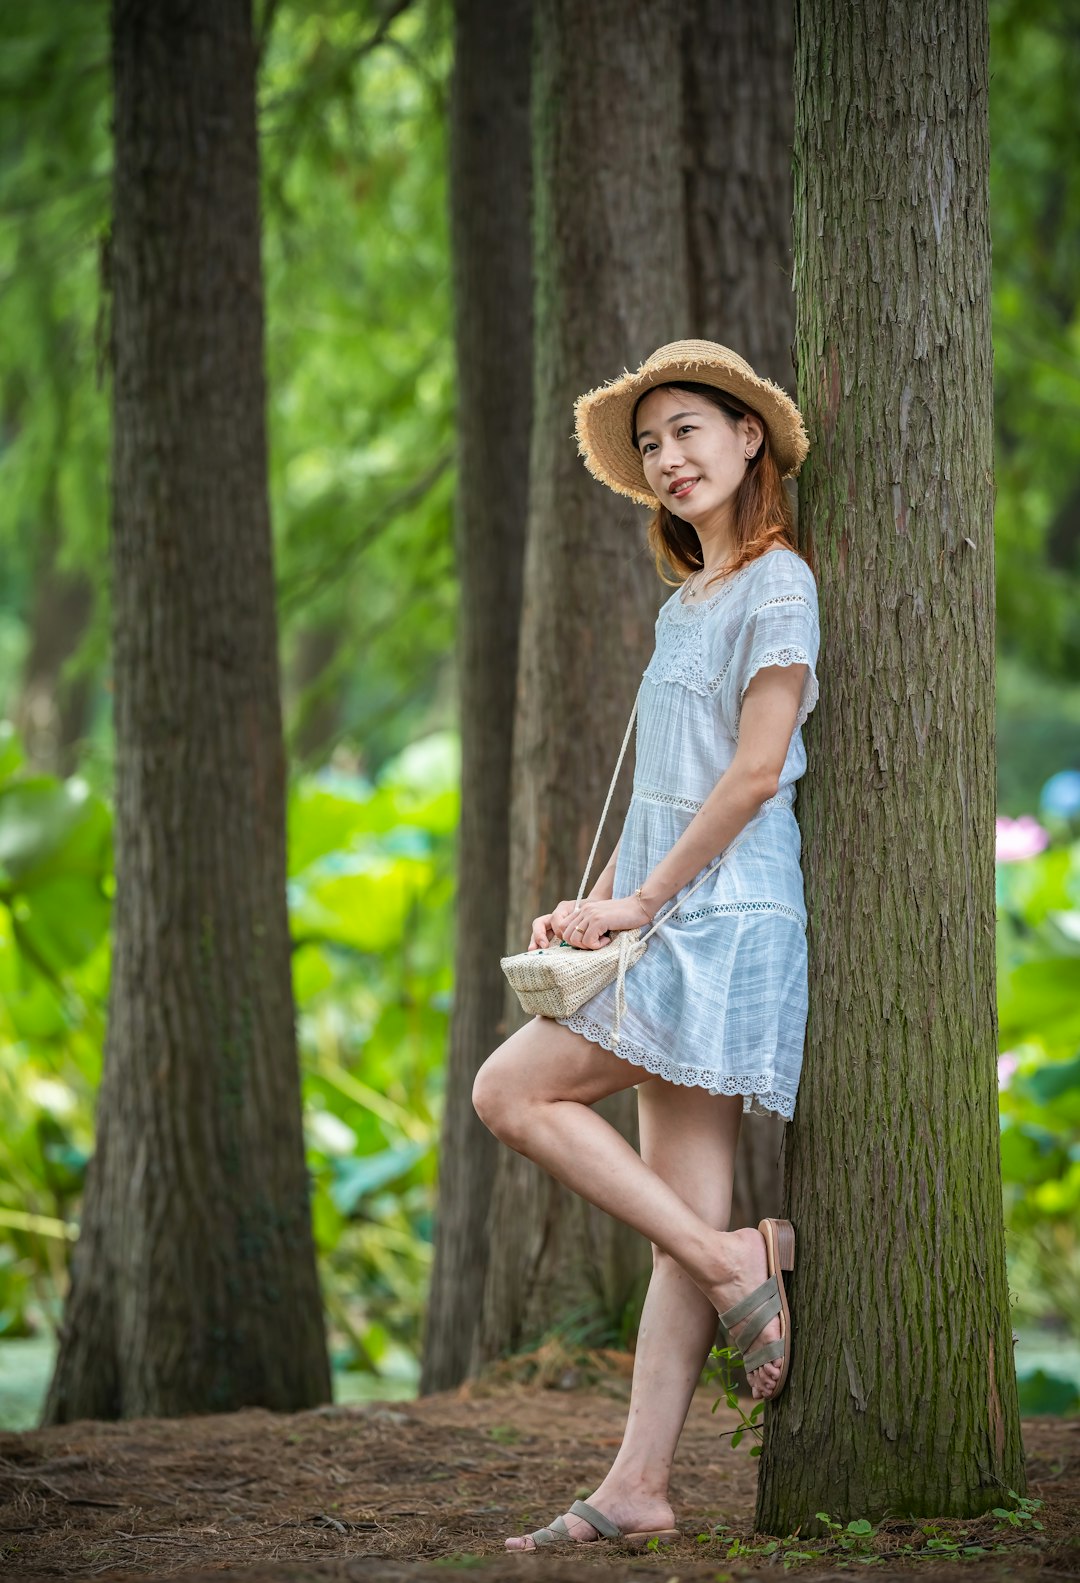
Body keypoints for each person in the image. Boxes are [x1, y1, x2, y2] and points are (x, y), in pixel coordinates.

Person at [472, 339, 821, 1552]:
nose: (669, 456)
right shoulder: (690, 602)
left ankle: (735, 1260)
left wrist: (646, 903)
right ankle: (639, 1484)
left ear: (748, 440)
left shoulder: (780, 586)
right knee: (683, 1205)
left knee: (508, 1088)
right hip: (672, 907)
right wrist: (598, 898)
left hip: (729, 917)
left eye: (690, 430)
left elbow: (754, 774)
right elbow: (664, 792)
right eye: (652, 441)